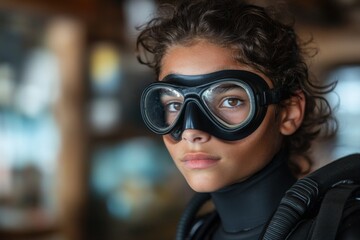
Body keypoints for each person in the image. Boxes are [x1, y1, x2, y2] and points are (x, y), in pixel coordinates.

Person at [136, 0, 360, 239]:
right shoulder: (197, 232)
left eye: (230, 101)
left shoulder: (345, 228)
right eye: (174, 104)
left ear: (288, 112)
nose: (191, 131)